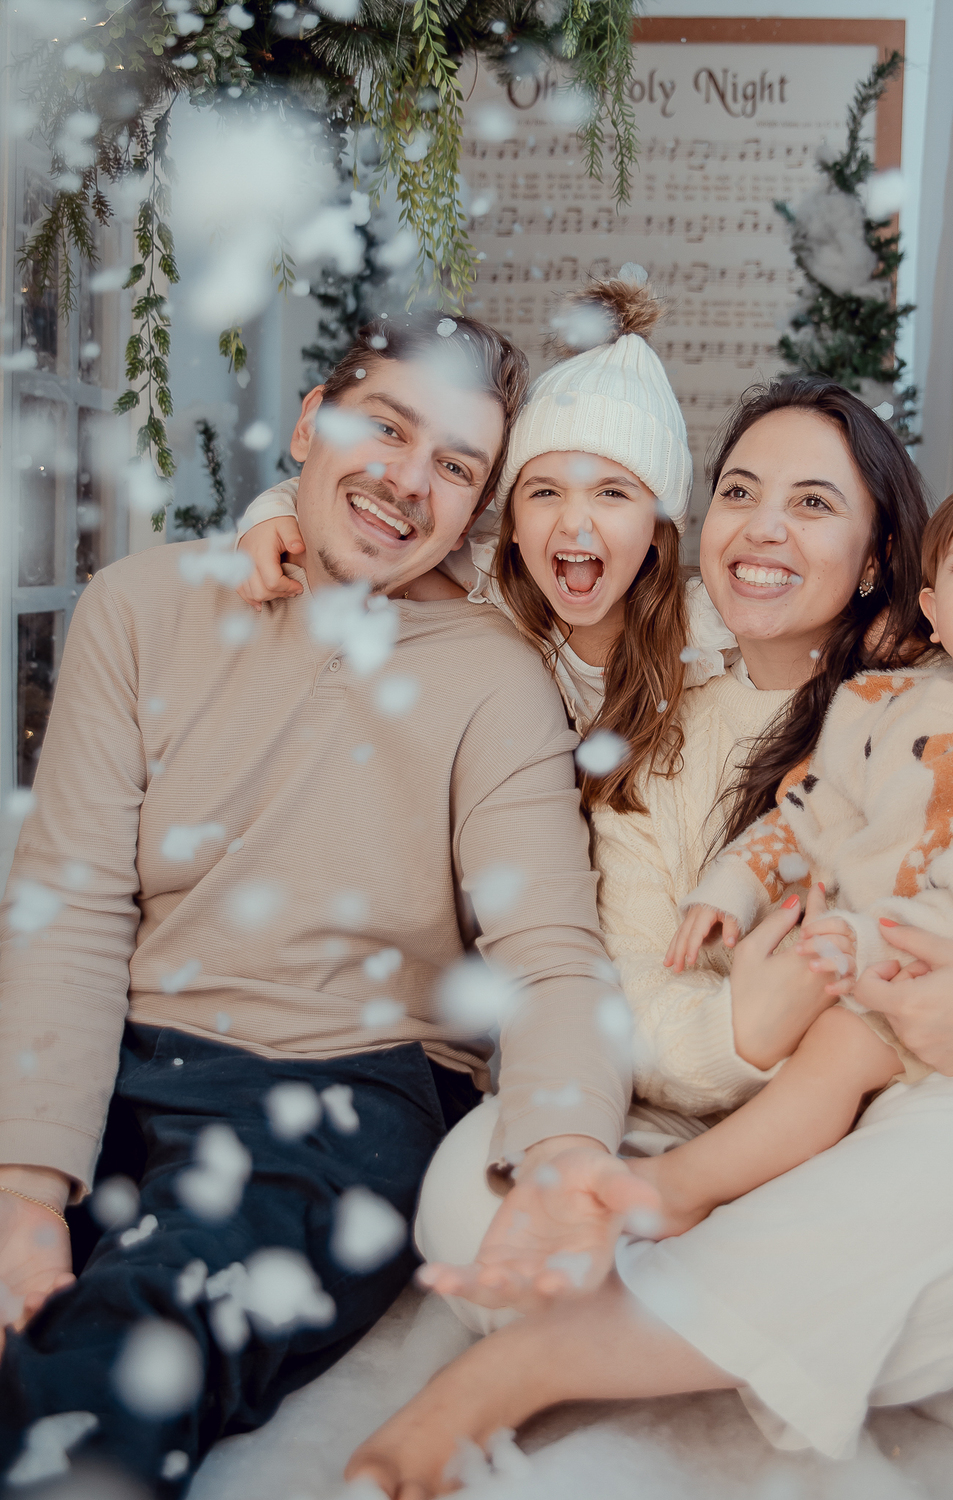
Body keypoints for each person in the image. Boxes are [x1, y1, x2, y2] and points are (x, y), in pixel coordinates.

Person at [344, 377, 953, 1498]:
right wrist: (746, 1028)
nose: (763, 528)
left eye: (812, 503)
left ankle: (542, 1364)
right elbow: (618, 997)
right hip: (693, 1136)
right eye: (740, 492)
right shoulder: (652, 730)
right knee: (479, 1192)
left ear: (885, 551)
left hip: (912, 1121)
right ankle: (908, 1330)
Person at [0, 311, 651, 1492]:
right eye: (384, 428)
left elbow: (552, 954)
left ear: (475, 512)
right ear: (309, 420)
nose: (407, 480)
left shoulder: (494, 680)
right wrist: (26, 1187)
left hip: (345, 1087)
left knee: (145, 1325)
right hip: (123, 1045)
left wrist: (562, 1161)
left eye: (455, 467)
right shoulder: (140, 606)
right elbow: (75, 900)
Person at [645, 472, 953, 1235]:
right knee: (817, 1111)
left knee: (837, 1053)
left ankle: (679, 1188)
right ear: (934, 610)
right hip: (848, 955)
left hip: (950, 980)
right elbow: (812, 817)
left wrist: (863, 941)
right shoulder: (880, 703)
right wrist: (734, 883)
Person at [233, 273, 735, 802]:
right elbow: (374, 518)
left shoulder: (699, 628)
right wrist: (273, 511)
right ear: (511, 526)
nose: (575, 523)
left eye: (612, 494)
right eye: (545, 493)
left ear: (658, 529)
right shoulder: (489, 584)